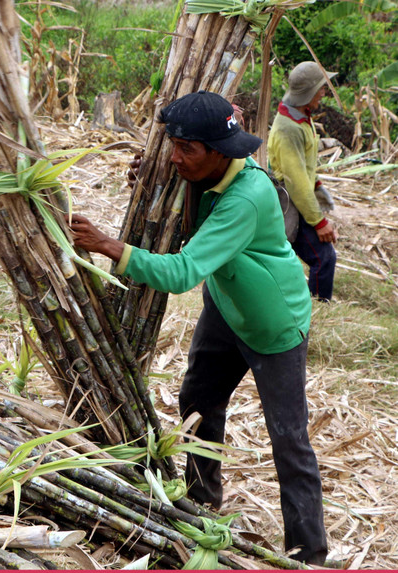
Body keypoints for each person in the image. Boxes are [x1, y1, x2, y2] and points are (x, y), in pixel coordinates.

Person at [67, 90, 327, 565]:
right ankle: (203, 503)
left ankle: (309, 552)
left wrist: (107, 245)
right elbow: (179, 190)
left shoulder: (246, 196)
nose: (176, 157)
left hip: (273, 322)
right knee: (197, 404)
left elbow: (182, 272)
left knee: (288, 439)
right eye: (173, 145)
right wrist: (150, 173)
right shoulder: (200, 170)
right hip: (227, 307)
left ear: (218, 150)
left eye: (187, 149)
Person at [269, 61, 339, 301]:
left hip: (296, 201)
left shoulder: (301, 117)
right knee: (323, 257)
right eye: (321, 88)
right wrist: (319, 222)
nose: (324, 92)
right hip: (289, 204)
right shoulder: (289, 128)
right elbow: (295, 181)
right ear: (309, 92)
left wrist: (317, 185)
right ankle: (318, 308)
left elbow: (303, 165)